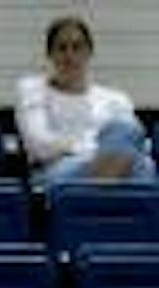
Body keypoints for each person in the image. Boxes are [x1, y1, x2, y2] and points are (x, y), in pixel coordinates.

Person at [15, 16, 156, 189]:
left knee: (129, 135)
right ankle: (106, 202)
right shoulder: (32, 90)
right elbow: (38, 144)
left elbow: (134, 142)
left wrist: (77, 147)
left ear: (89, 52)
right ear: (49, 54)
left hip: (107, 166)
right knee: (141, 167)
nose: (69, 55)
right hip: (56, 171)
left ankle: (96, 199)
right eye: (61, 48)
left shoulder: (115, 99)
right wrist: (99, 150)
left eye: (77, 47)